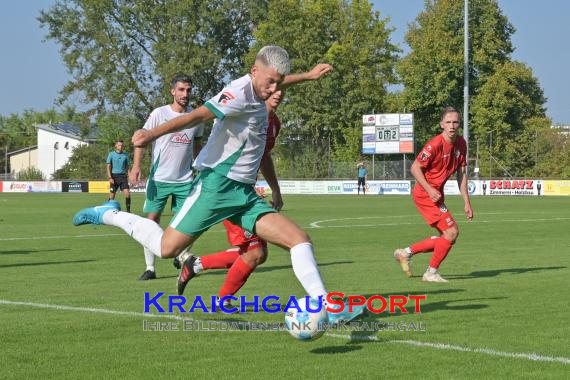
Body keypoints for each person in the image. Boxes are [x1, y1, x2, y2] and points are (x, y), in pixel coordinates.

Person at [73, 46, 364, 323]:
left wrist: (309, 76)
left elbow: (279, 79)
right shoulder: (238, 92)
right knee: (166, 249)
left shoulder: (265, 85)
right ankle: (108, 213)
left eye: (279, 83)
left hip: (243, 193)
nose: (275, 89)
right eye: (271, 82)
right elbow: (198, 115)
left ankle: (327, 306)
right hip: (215, 187)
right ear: (254, 71)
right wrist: (151, 134)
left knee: (299, 240)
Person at [130, 74, 204, 281]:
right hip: (159, 179)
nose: (185, 94)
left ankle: (181, 256)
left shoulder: (197, 117)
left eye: (188, 90)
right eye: (181, 90)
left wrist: (202, 167)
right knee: (151, 221)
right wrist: (136, 166)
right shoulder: (159, 114)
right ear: (172, 91)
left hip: (185, 180)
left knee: (189, 223)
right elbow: (141, 139)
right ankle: (150, 268)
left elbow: (198, 145)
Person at [393, 106, 473, 282]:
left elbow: (462, 174)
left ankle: (405, 253)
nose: (452, 126)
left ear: (459, 124)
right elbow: (414, 167)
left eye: (455, 122)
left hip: (436, 195)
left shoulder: (461, 144)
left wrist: (466, 202)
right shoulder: (434, 144)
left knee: (447, 237)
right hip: (425, 194)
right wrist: (430, 189)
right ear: (441, 124)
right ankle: (430, 273)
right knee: (451, 232)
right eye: (448, 122)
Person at [106, 140, 131, 212]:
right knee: (112, 196)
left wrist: (130, 176)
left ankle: (128, 211)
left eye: (122, 145)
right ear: (116, 146)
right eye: (119, 145)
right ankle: (107, 210)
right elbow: (108, 166)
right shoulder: (111, 154)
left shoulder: (125, 155)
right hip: (114, 177)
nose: (121, 146)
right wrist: (110, 177)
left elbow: (127, 167)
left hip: (123, 177)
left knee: (127, 194)